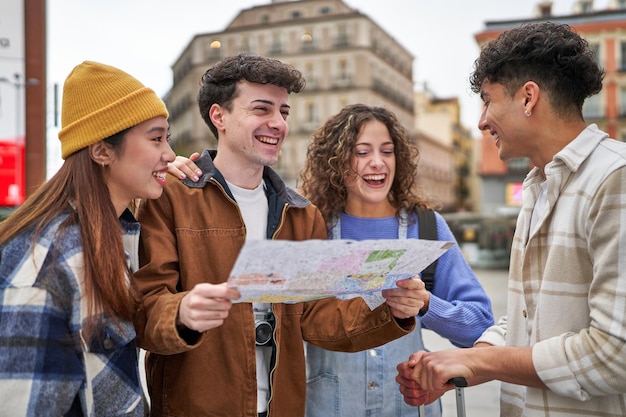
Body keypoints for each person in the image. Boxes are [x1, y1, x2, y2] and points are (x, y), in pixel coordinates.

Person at [134, 53, 426, 417]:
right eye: (262, 109)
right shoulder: (171, 199)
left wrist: (390, 310)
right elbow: (145, 308)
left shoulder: (302, 216)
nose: (278, 123)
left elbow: (318, 317)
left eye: (284, 112)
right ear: (218, 116)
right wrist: (183, 312)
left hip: (281, 407)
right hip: (197, 407)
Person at [396, 21, 626, 417]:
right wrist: (466, 364)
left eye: (487, 100)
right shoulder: (539, 186)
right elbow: (527, 319)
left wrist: (480, 362)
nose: (482, 121)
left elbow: (614, 355)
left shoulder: (615, 178)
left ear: (528, 98)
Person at [0, 61, 175, 416]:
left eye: (167, 139)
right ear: (102, 151)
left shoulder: (108, 236)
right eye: (156, 139)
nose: (170, 154)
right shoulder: (47, 258)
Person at [297, 103, 494, 417]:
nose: (377, 163)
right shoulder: (310, 229)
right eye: (361, 152)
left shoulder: (427, 228)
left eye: (387, 151)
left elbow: (480, 327)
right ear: (335, 162)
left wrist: (426, 304)